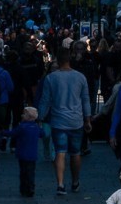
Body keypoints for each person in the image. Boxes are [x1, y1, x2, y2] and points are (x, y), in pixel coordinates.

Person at [38, 47, 92, 195]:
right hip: (76, 121)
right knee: (75, 153)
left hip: (58, 120)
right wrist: (87, 119)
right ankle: (75, 182)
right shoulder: (80, 77)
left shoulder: (51, 78)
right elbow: (85, 100)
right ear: (70, 59)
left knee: (60, 152)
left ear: (57, 60)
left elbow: (45, 100)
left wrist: (41, 117)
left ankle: (60, 184)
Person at [2, 107, 45, 197]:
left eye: (24, 114)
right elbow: (43, 134)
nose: (22, 115)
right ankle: (31, 187)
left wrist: (2, 132)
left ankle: (24, 189)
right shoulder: (36, 127)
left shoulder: (22, 127)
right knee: (31, 172)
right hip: (32, 155)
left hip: (22, 154)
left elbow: (12, 133)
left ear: (28, 117)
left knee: (23, 172)